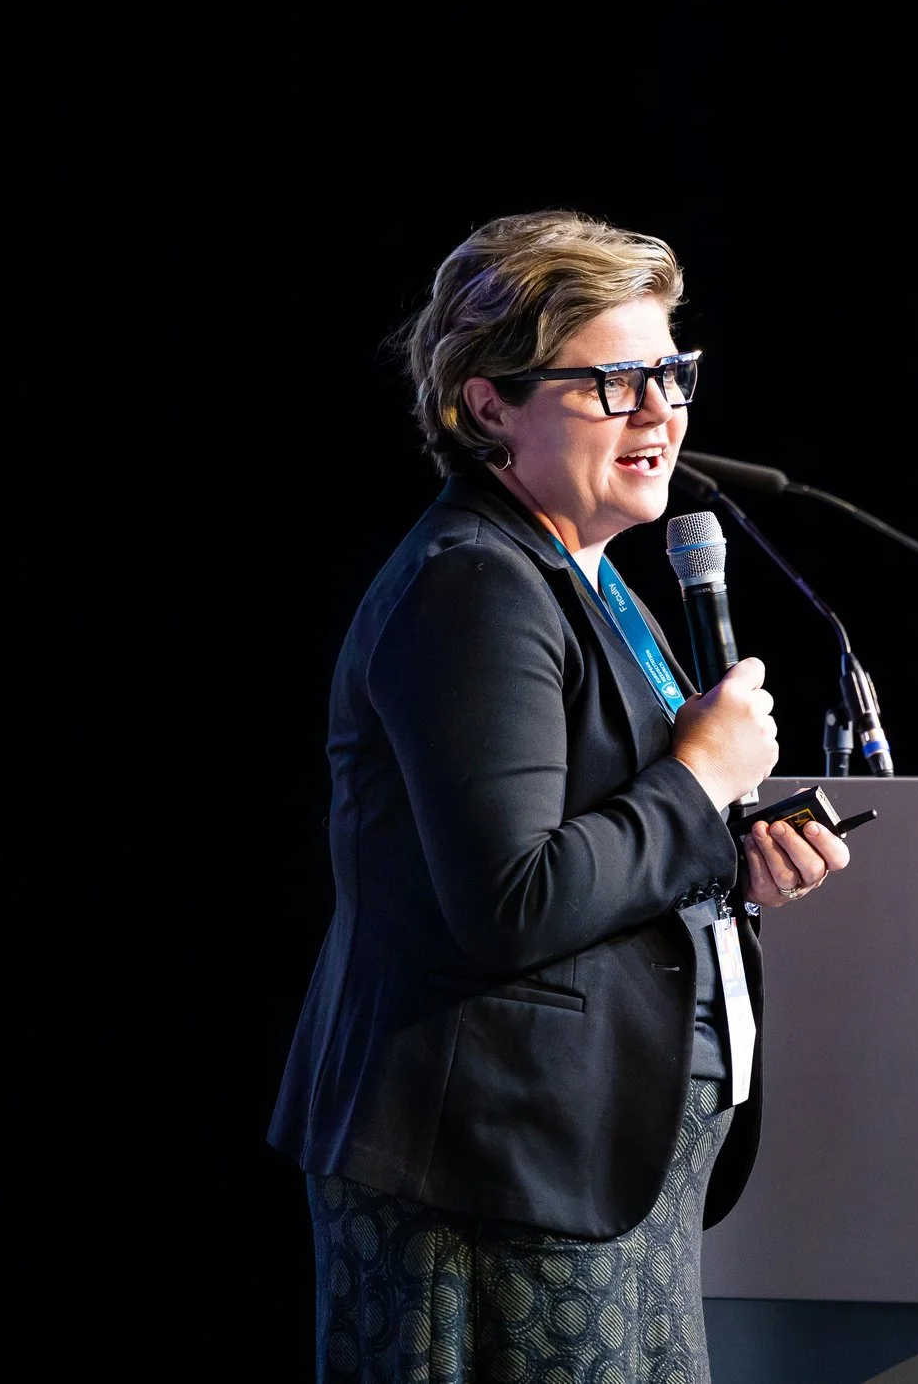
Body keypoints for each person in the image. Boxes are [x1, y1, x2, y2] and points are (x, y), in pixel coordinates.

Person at [270, 210, 852, 1381]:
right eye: (612, 382)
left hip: (594, 1163)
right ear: (488, 404)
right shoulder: (474, 588)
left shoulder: (577, 577)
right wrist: (697, 781)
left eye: (670, 373)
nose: (660, 414)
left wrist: (726, 848)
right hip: (488, 1172)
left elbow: (596, 843)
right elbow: (511, 898)